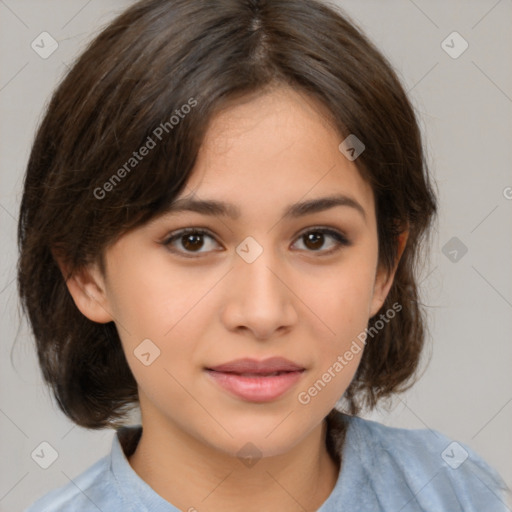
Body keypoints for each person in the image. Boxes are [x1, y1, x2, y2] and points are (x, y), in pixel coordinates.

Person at [17, 0, 510, 510]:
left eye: (317, 239)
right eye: (193, 240)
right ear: (85, 274)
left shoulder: (460, 491)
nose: (262, 313)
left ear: (385, 267)